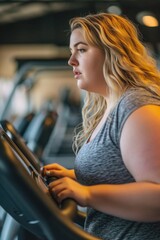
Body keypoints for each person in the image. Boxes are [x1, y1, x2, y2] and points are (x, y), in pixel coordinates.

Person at [42, 13, 160, 240]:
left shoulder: (138, 107)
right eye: (71, 51)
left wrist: (87, 194)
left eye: (82, 50)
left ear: (112, 51)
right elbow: (123, 173)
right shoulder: (110, 106)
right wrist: (78, 176)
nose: (71, 61)